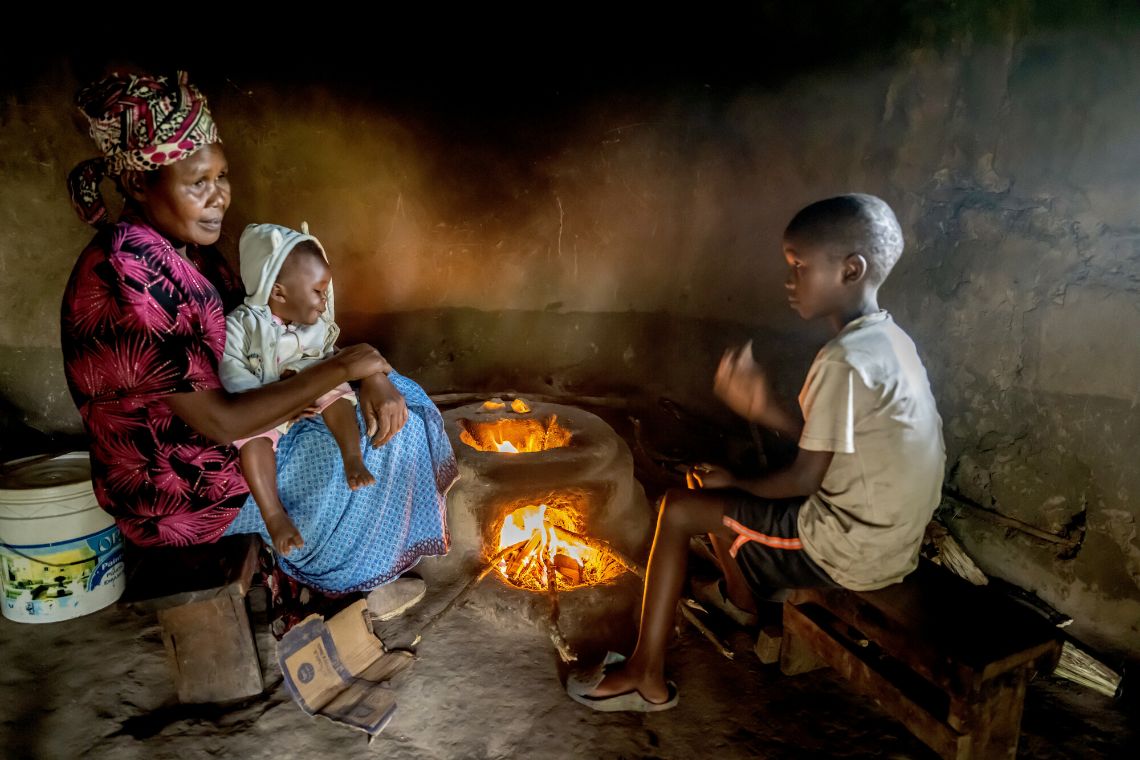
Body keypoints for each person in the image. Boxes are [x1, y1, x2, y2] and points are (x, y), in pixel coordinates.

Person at [61, 70, 457, 619]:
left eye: (222, 176)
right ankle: (334, 584)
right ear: (137, 184)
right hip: (180, 486)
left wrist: (367, 373)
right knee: (372, 449)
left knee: (396, 404)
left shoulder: (182, 247)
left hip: (229, 431)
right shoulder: (132, 278)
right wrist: (346, 366)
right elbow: (224, 424)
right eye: (198, 182)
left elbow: (269, 336)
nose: (218, 195)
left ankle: (336, 559)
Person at [567, 193, 945, 711]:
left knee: (678, 510)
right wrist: (765, 410)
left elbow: (804, 480)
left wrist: (734, 486)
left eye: (800, 266)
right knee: (722, 487)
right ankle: (741, 604)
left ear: (851, 269)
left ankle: (644, 676)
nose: (790, 280)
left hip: (850, 550)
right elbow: (835, 446)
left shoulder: (843, 359)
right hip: (892, 539)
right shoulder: (888, 341)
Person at [219, 221, 375, 557]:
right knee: (252, 441)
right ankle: (274, 516)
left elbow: (326, 361)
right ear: (278, 292)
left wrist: (317, 383)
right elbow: (235, 381)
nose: (323, 304)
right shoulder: (240, 327)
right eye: (318, 292)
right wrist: (283, 401)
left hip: (306, 397)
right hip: (263, 406)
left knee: (337, 393)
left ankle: (352, 458)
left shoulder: (314, 326)